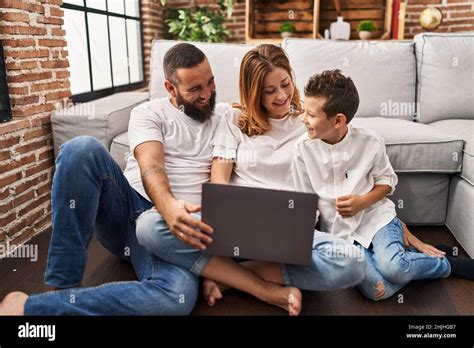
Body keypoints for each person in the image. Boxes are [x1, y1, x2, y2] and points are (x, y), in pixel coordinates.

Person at [135, 44, 368, 316]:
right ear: (253, 92)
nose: (281, 96)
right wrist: (224, 220)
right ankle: (252, 281)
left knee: (353, 264)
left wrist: (390, 221)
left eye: (285, 84)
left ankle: (229, 277)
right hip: (238, 226)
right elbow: (219, 182)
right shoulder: (233, 120)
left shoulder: (311, 123)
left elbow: (354, 166)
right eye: (269, 91)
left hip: (290, 229)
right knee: (150, 225)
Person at [0, 43, 228, 315]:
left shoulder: (225, 115)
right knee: (80, 149)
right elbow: (151, 164)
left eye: (210, 82)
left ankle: (32, 309)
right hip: (127, 209)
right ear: (170, 88)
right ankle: (64, 288)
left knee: (176, 297)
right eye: (195, 89)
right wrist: (168, 207)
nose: (206, 94)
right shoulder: (149, 112)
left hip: (171, 237)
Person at [291, 69, 474, 301]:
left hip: (376, 220)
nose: (302, 119)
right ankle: (410, 254)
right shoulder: (302, 150)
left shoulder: (369, 142)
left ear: (338, 120)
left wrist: (361, 202)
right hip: (341, 234)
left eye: (310, 115)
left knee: (394, 269)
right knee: (377, 290)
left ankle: (449, 264)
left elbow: (387, 182)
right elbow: (305, 201)